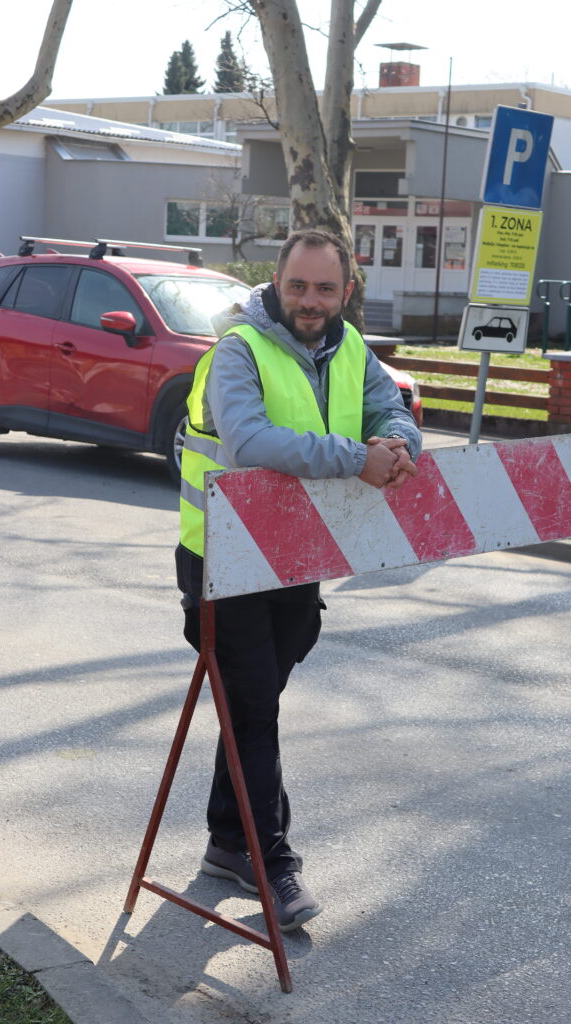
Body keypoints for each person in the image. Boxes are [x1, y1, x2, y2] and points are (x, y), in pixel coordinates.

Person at [176, 229, 422, 932]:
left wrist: (398, 441)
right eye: (297, 286)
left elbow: (389, 406)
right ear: (275, 284)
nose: (309, 301)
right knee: (254, 706)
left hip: (296, 558)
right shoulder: (238, 350)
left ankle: (228, 840)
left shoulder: (350, 348)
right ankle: (272, 862)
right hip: (222, 560)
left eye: (324, 288)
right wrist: (355, 458)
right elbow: (249, 440)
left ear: (347, 291)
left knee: (251, 702)